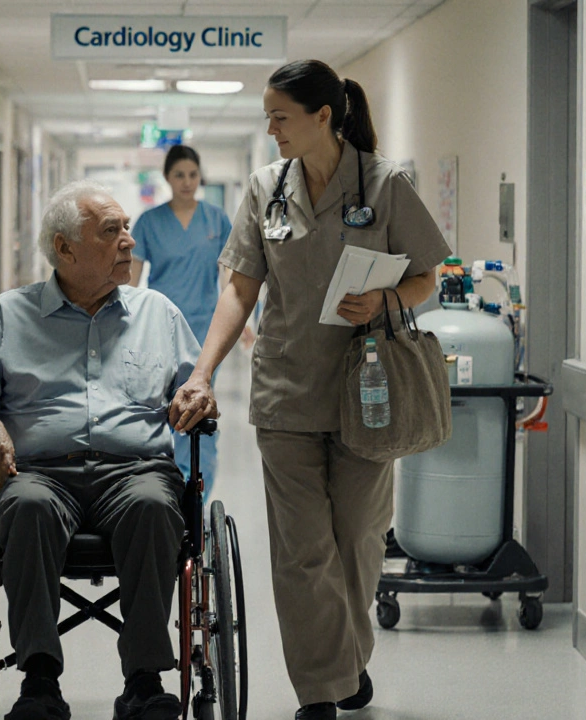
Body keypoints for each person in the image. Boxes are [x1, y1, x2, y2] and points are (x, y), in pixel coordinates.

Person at [169, 60, 451, 720]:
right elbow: (240, 287)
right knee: (303, 551)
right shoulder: (266, 189)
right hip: (286, 394)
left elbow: (427, 279)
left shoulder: (383, 186)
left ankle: (348, 659)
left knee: (356, 538)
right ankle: (321, 688)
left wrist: (385, 296)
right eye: (267, 116)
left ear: (323, 116)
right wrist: (203, 370)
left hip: (368, 391)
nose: (270, 129)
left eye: (280, 116)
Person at [0, 180, 202, 720]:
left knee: (157, 507)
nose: (129, 241)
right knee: (28, 508)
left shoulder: (157, 312)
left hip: (136, 472)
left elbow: (193, 384)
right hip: (39, 473)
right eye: (112, 231)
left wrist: (196, 397)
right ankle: (39, 681)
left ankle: (145, 680)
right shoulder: (9, 313)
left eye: (127, 228)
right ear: (64, 248)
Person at [129, 145, 247, 498]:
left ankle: (196, 494)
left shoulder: (216, 219)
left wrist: (244, 320)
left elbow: (229, 277)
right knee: (162, 408)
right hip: (158, 328)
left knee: (199, 408)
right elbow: (131, 282)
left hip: (205, 330)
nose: (186, 182)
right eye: (179, 175)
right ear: (167, 178)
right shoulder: (149, 222)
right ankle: (164, 488)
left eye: (193, 175)